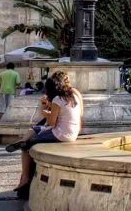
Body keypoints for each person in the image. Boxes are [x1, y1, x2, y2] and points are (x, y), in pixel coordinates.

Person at [8, 70, 83, 199]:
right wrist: (51, 108)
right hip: (72, 132)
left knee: (30, 143)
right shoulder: (73, 96)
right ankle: (22, 145)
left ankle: (25, 176)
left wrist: (44, 109)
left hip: (60, 133)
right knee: (35, 129)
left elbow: (51, 122)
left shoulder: (57, 99)